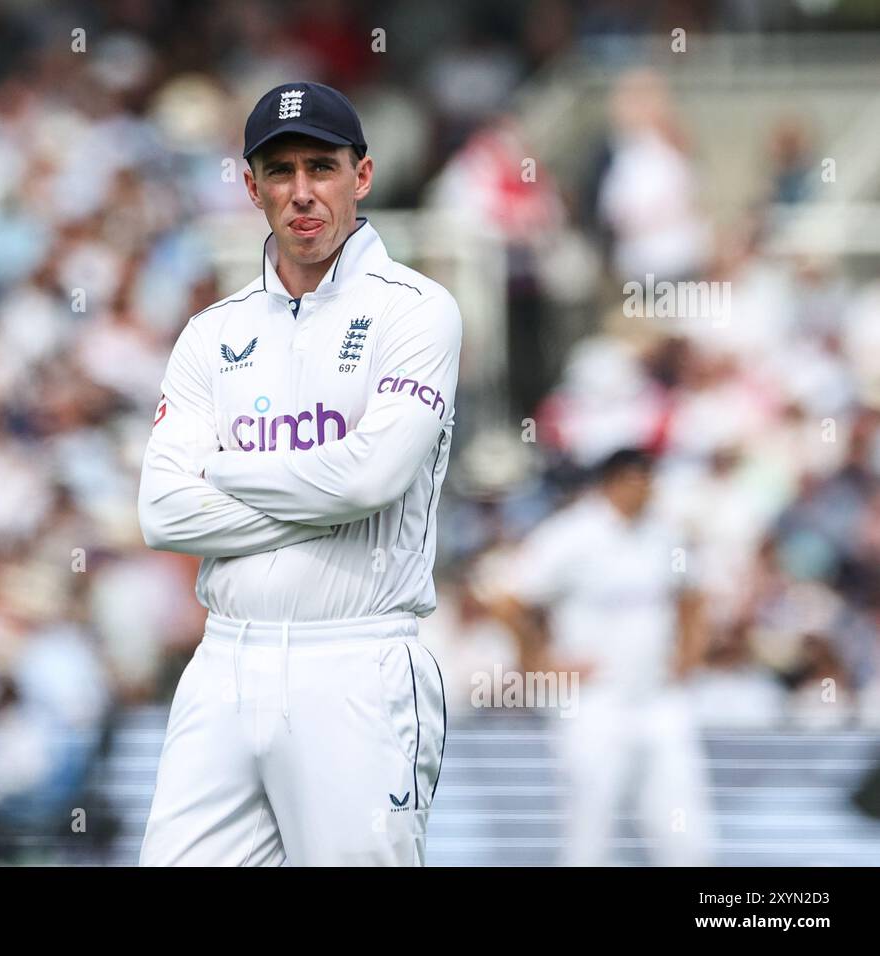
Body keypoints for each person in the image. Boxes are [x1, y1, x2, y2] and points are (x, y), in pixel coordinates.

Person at [137, 82, 462, 865]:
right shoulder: (212, 332)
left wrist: (222, 469)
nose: (302, 192)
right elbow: (163, 515)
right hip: (222, 663)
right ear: (251, 187)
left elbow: (370, 481)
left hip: (355, 663)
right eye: (279, 171)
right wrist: (330, 494)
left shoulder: (415, 310)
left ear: (364, 175)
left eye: (323, 166)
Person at [490, 448, 714, 866]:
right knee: (591, 830)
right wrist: (540, 664)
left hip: (660, 699)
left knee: (687, 834)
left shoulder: (664, 534)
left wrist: (688, 657)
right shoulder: (571, 535)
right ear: (611, 483)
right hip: (595, 703)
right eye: (635, 481)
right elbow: (508, 601)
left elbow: (694, 596)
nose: (645, 491)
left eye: (649, 481)